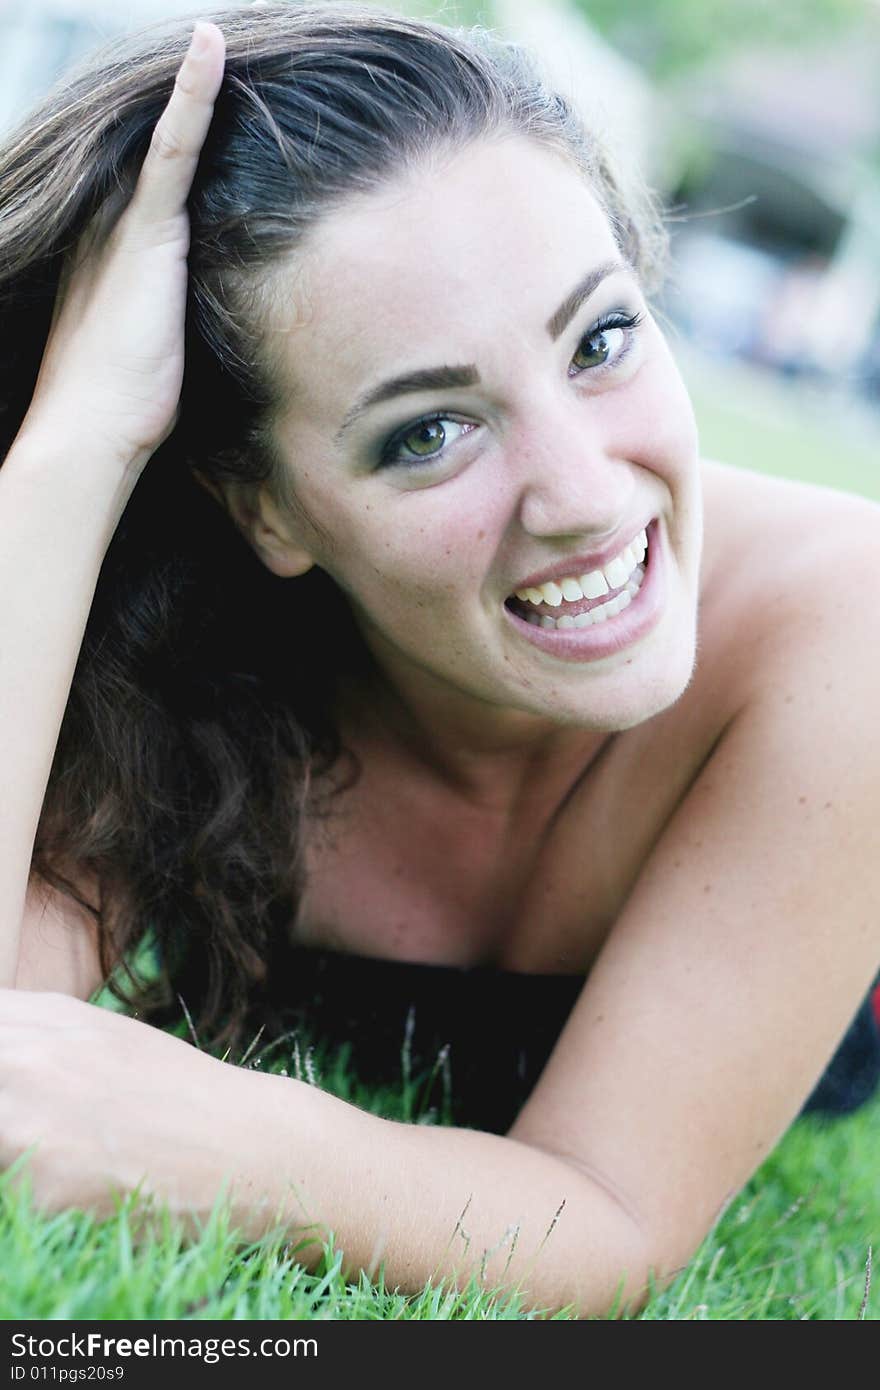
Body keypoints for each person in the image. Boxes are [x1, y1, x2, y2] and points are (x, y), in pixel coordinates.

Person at [1, 2, 878, 1320]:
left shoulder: (845, 628)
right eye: (428, 431)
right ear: (266, 507)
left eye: (601, 339)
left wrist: (218, 1138)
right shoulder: (189, 656)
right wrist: (78, 446)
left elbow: (611, 1213)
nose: (583, 495)